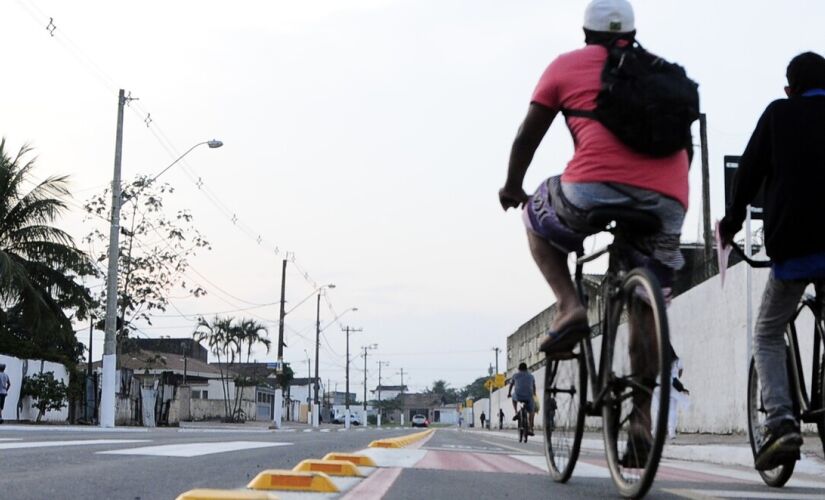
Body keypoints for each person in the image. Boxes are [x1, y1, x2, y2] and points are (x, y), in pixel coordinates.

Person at [499, 0, 693, 465]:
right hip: (669, 198)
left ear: (586, 33)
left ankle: (569, 306)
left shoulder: (566, 67)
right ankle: (640, 421)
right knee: (645, 301)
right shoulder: (664, 73)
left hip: (592, 188)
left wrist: (512, 186)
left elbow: (529, 133)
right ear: (633, 31)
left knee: (535, 217)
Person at [719, 51, 825, 471]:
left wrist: (731, 222)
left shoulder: (779, 114)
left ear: (789, 88)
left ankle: (781, 423)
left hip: (796, 248)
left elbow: (747, 174)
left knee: (766, 333)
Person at [651, 351, 690, 440]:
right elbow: (680, 372)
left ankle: (655, 432)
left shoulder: (658, 359)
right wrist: (675, 376)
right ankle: (672, 433)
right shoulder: (678, 360)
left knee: (657, 410)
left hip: (659, 385)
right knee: (672, 410)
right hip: (673, 386)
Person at [508, 362, 537, 435]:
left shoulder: (515, 375)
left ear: (519, 369)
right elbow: (534, 386)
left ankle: (516, 411)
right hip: (529, 396)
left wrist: (509, 393)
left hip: (518, 396)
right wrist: (534, 394)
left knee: (513, 398)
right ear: (526, 368)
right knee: (532, 412)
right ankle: (531, 428)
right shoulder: (531, 376)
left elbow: (511, 385)